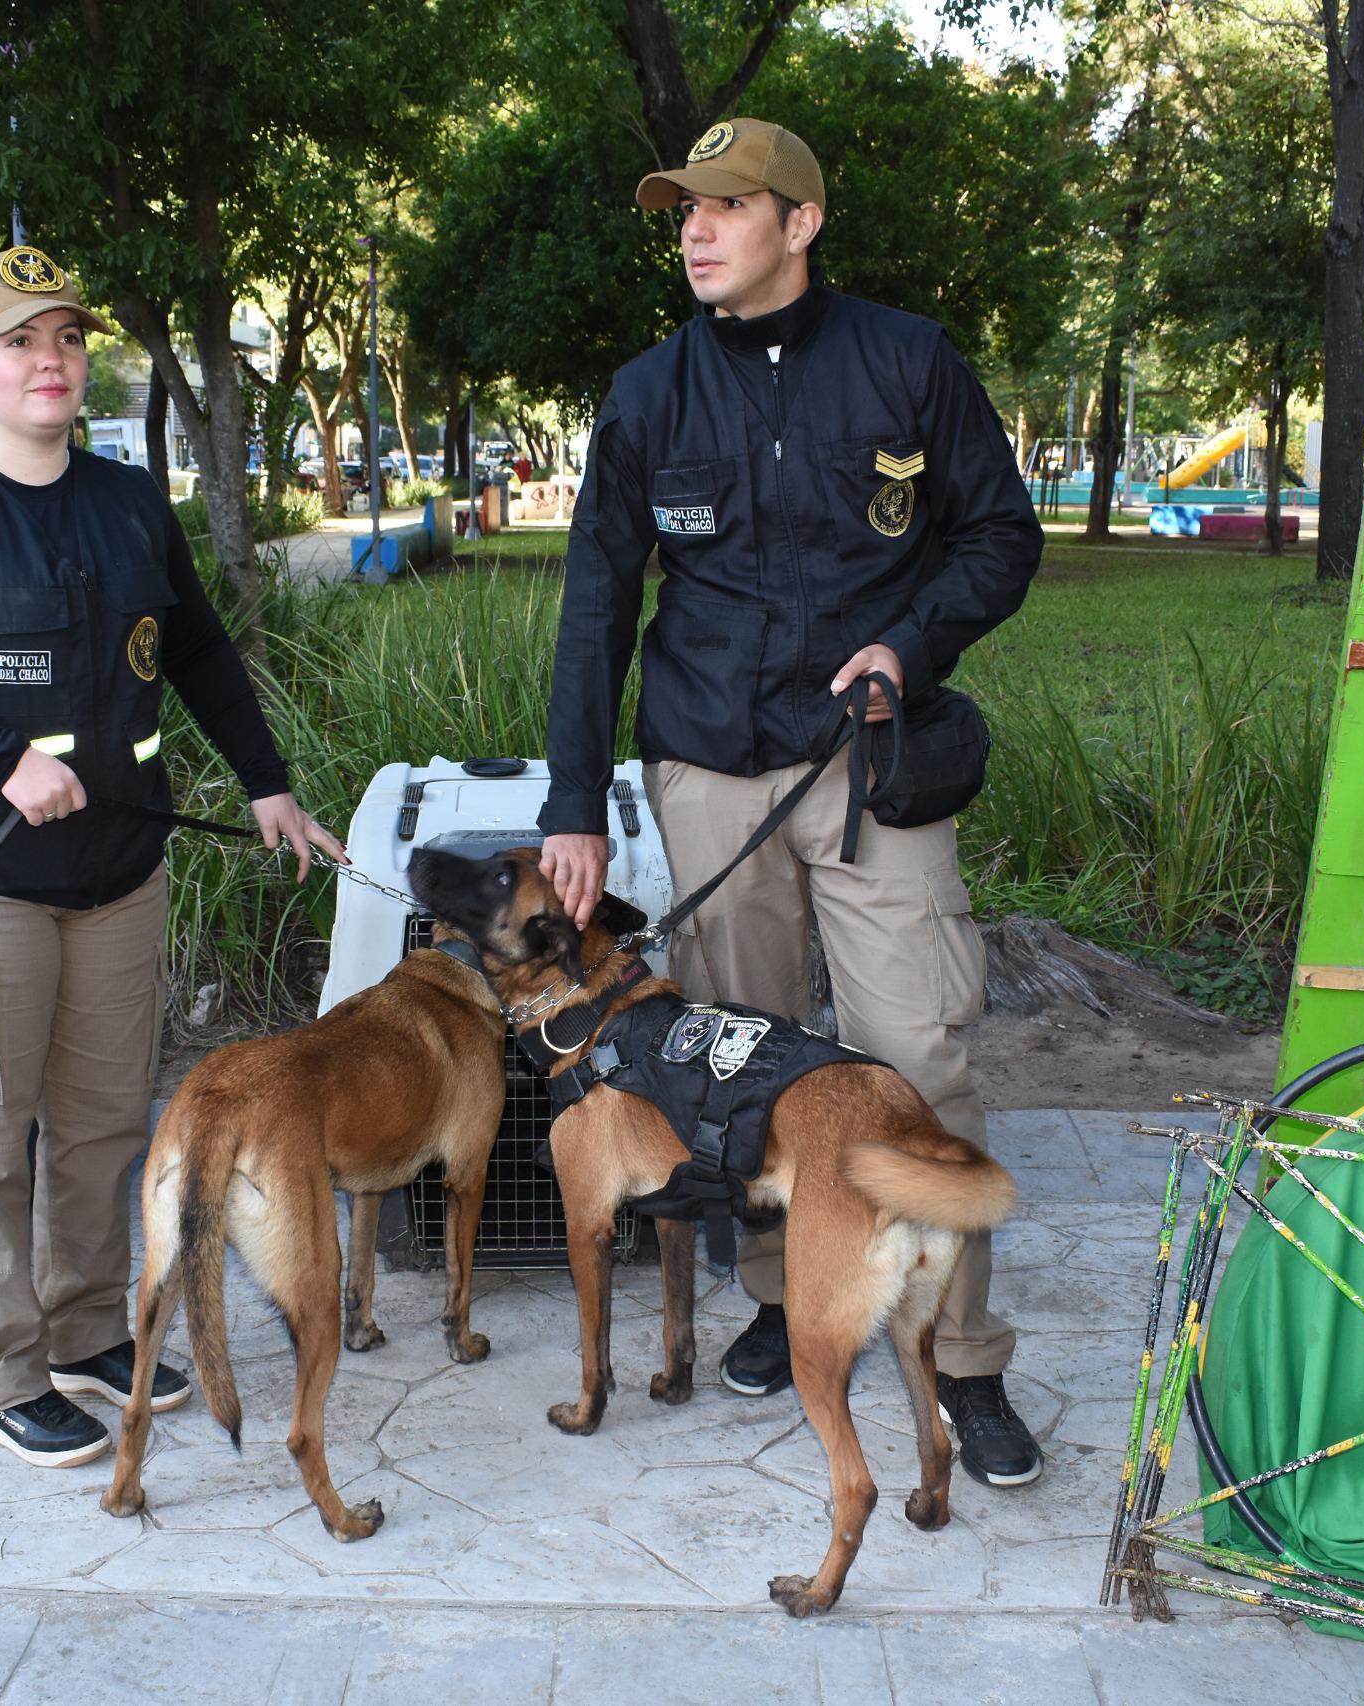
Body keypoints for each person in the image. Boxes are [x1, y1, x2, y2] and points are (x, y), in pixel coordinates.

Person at [536, 119, 1047, 1487]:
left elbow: (1004, 533)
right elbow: (596, 605)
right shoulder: (648, 395)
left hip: (871, 767)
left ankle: (956, 1356)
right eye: (683, 212)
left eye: (726, 207)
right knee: (738, 1072)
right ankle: (777, 1291)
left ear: (800, 223)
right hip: (707, 765)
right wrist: (573, 799)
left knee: (917, 1062)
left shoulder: (907, 361)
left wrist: (912, 643)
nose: (695, 231)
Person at [0, 247, 341, 1470]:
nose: (46, 360)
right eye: (15, 341)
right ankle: (2, 1369)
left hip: (119, 875)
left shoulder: (125, 502)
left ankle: (86, 1328)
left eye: (63, 338)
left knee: (103, 1125)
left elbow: (200, 648)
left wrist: (267, 782)